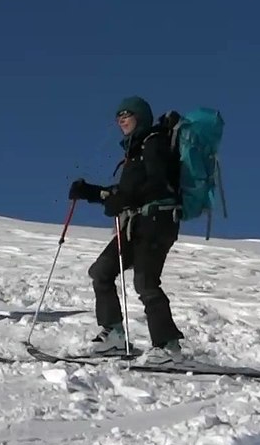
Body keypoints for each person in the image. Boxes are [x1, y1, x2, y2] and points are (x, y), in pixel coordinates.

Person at [69, 95, 185, 365]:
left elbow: (158, 183)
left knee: (145, 282)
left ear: (140, 117)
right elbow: (124, 193)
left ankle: (168, 346)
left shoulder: (154, 142)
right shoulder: (134, 152)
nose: (121, 119)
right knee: (101, 271)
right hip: (136, 225)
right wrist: (90, 192)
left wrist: (124, 199)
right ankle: (115, 335)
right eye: (118, 115)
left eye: (127, 114)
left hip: (157, 222)